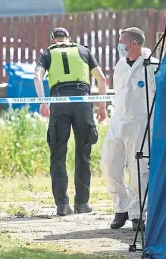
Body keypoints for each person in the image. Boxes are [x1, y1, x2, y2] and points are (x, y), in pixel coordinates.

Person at [34, 27, 108, 216]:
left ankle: (62, 205)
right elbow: (102, 79)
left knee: (58, 155)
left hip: (59, 103)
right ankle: (82, 203)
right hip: (83, 103)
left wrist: (43, 102)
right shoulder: (83, 50)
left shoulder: (48, 52)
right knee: (83, 153)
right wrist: (102, 106)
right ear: (69, 38)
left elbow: (37, 77)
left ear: (53, 39)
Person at [100, 27, 157, 231]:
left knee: (138, 170)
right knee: (109, 165)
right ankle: (121, 208)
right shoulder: (120, 64)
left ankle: (137, 214)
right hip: (118, 122)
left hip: (140, 124)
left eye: (122, 40)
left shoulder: (152, 65)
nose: (119, 44)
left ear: (133, 43)